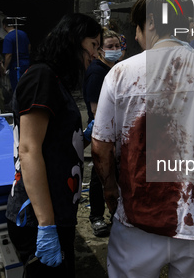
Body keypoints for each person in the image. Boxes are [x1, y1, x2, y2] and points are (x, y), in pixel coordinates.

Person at [92, 0, 194, 277]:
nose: (138, 36)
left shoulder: (120, 74)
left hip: (137, 218)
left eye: (137, 28)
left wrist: (109, 187)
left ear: (151, 22)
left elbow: (100, 146)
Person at [5, 13, 102, 277]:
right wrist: (47, 226)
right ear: (73, 41)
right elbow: (28, 150)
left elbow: (52, 144)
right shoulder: (41, 78)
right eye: (93, 44)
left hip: (56, 211)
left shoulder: (54, 80)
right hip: (39, 217)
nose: (96, 54)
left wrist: (81, 137)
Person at [82, 29, 122, 238]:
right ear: (99, 51)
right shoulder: (97, 72)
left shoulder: (115, 69)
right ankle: (96, 217)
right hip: (102, 130)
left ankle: (116, 213)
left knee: (115, 174)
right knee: (101, 175)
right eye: (110, 46)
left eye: (117, 46)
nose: (115, 50)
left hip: (116, 129)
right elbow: (97, 110)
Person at [3, 17, 31, 92]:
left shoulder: (8, 38)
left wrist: (5, 68)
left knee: (17, 89)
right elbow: (29, 47)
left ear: (4, 26)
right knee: (27, 87)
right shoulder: (23, 34)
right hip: (26, 63)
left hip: (16, 66)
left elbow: (8, 55)